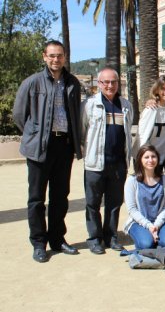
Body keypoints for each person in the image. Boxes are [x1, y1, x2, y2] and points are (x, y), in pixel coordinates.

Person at [13, 40, 82, 262]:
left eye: (59, 55)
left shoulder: (72, 83)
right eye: (51, 55)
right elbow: (18, 115)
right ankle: (39, 243)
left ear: (64, 57)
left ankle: (57, 239)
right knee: (36, 198)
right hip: (39, 148)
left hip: (64, 146)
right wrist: (35, 135)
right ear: (44, 56)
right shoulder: (32, 83)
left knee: (60, 196)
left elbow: (75, 114)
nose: (56, 59)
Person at [82, 67, 133, 254]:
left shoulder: (126, 105)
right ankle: (94, 239)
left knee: (114, 204)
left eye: (113, 82)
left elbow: (127, 134)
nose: (109, 85)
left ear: (118, 84)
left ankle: (111, 237)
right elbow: (82, 131)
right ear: (99, 83)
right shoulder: (89, 104)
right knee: (93, 203)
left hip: (119, 164)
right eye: (105, 82)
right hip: (95, 164)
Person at [123, 145, 165, 249]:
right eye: (146, 157)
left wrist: (156, 225)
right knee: (146, 244)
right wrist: (149, 226)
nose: (150, 160)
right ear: (140, 160)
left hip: (159, 221)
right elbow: (132, 209)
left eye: (153, 156)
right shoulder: (132, 181)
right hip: (138, 221)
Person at [133, 75, 165, 169]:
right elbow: (142, 136)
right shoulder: (151, 109)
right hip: (146, 160)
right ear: (157, 90)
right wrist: (145, 159)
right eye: (162, 89)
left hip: (160, 159)